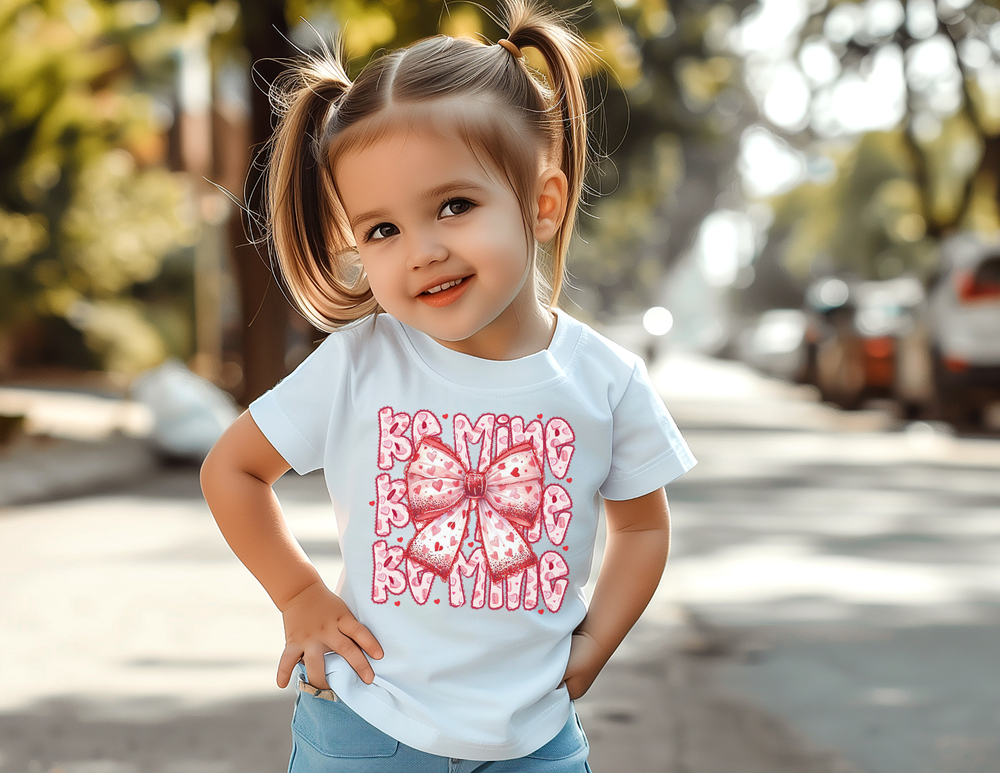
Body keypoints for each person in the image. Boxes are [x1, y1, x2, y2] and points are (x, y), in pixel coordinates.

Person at [200, 1, 696, 769]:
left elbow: (642, 527)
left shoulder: (605, 380)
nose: (421, 251)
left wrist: (597, 639)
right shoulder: (361, 361)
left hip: (536, 739)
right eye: (382, 230)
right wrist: (300, 595)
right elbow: (232, 468)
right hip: (366, 726)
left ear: (542, 202)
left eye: (454, 207)